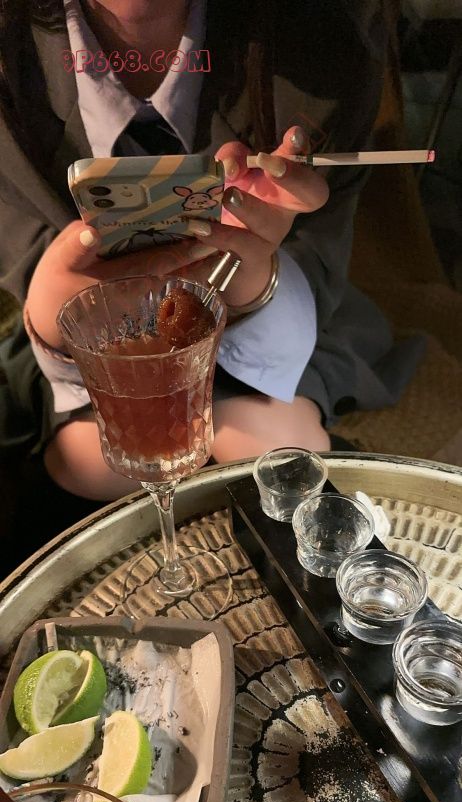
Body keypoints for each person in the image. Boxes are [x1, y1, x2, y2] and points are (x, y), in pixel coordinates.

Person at [0, 0, 424, 507]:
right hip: (87, 360)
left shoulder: (324, 53)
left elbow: (319, 255)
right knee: (91, 463)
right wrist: (53, 311)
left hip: (281, 335)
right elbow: (23, 255)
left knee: (271, 447)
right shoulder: (12, 65)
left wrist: (255, 280)